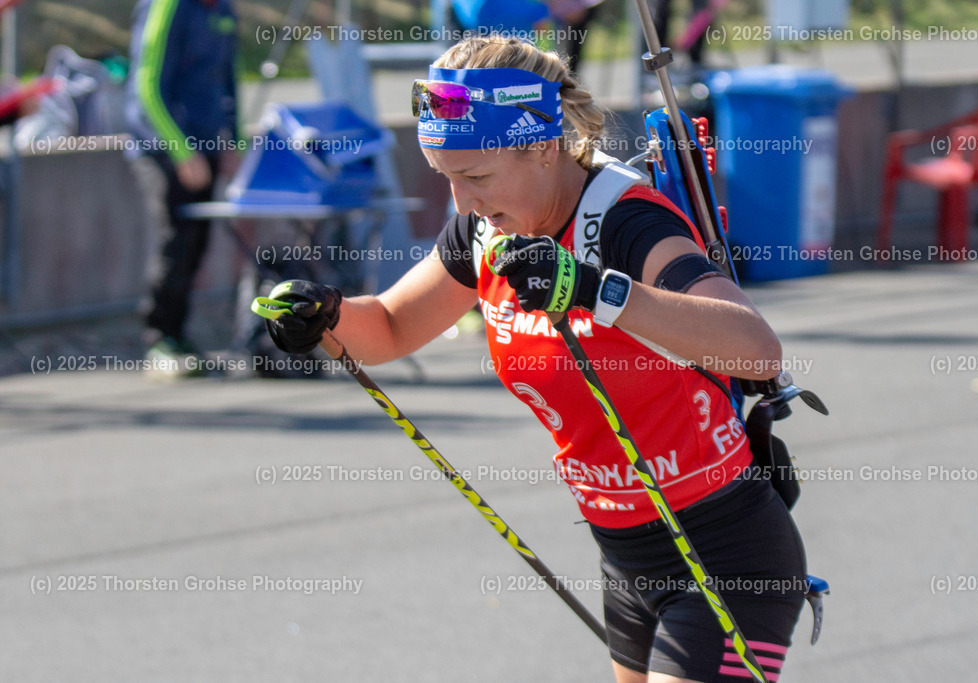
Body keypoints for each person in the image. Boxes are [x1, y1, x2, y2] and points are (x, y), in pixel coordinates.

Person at [262, 35, 806, 682]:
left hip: (725, 550)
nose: (463, 204)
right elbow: (389, 326)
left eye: (477, 177)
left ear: (544, 147)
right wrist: (325, 315)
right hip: (624, 555)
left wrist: (594, 289)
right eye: (445, 178)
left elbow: (755, 349)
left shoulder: (626, 222)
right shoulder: (486, 229)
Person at [125, 0, 239, 369]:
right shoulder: (167, 6)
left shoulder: (223, 9)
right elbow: (146, 86)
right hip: (163, 146)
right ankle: (159, 339)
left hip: (207, 145)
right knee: (175, 240)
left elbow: (228, 78)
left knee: (198, 243)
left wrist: (233, 142)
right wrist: (181, 151)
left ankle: (179, 335)